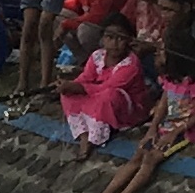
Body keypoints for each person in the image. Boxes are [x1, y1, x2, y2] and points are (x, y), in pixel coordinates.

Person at [82, 22, 195, 193]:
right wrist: (153, 128)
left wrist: (174, 132)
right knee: (138, 154)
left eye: (162, 52)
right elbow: (162, 106)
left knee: (151, 159)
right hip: (166, 126)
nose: (158, 55)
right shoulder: (169, 79)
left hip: (185, 131)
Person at [58, 21, 153, 157]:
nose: (114, 43)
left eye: (120, 38)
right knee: (68, 94)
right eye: (110, 37)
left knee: (110, 95)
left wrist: (79, 87)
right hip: (97, 94)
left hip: (128, 108)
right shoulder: (97, 56)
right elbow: (86, 77)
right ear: (103, 39)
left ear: (129, 41)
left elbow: (109, 87)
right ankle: (84, 135)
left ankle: (96, 137)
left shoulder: (131, 64)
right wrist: (69, 85)